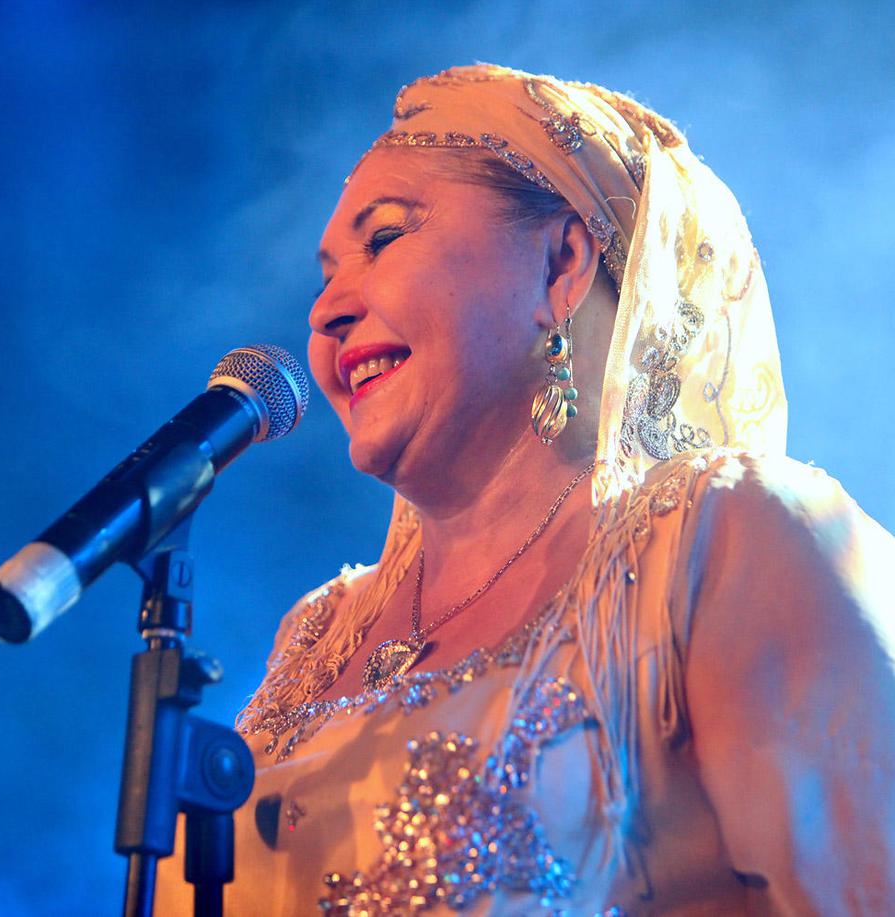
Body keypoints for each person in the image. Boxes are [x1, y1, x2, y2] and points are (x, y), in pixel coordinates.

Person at [157, 64, 895, 914]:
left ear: (560, 264)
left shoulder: (721, 542)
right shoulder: (314, 633)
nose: (324, 312)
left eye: (384, 238)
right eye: (325, 277)